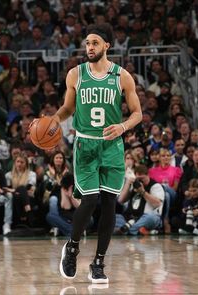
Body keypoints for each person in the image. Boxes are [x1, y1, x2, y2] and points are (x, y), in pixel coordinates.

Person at [50, 23, 142, 284]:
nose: (89, 47)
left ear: (107, 46)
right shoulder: (75, 74)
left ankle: (98, 263)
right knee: (89, 200)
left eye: (95, 43)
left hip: (112, 146)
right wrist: (55, 120)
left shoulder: (122, 76)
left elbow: (138, 113)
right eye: (87, 43)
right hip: (86, 144)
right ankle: (72, 247)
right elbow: (68, 108)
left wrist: (123, 126)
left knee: (110, 202)